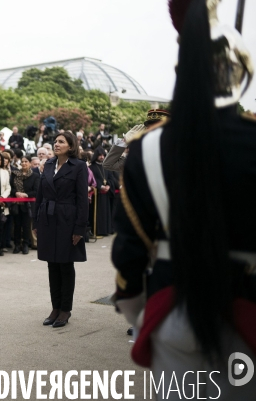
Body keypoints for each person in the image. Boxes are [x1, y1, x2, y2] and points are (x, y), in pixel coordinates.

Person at [112, 0, 256, 398]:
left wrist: (142, 313)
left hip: (172, 316)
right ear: (241, 73)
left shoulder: (148, 147)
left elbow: (128, 257)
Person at [34, 131, 88, 328]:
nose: (56, 144)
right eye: (55, 141)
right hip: (47, 219)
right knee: (52, 265)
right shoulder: (48, 164)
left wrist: (79, 228)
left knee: (65, 265)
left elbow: (83, 199)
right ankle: (55, 307)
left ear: (71, 146)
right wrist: (35, 221)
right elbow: (40, 195)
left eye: (61, 142)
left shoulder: (79, 167)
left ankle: (65, 309)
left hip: (68, 219)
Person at [10, 156, 39, 255]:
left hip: (28, 205)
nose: (23, 163)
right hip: (16, 204)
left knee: (26, 225)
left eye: (26, 161)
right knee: (17, 225)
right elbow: (11, 188)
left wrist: (26, 194)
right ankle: (17, 245)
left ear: (30, 163)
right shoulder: (15, 174)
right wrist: (16, 193)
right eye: (22, 162)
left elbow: (36, 190)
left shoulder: (35, 176)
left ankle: (26, 244)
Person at [88, 147, 115, 236]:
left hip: (106, 194)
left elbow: (111, 177)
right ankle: (97, 231)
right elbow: (92, 179)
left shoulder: (107, 166)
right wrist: (101, 186)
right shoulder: (91, 167)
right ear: (96, 156)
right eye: (100, 155)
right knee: (97, 213)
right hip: (97, 194)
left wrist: (108, 185)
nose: (102, 157)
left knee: (106, 213)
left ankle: (105, 230)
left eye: (103, 155)